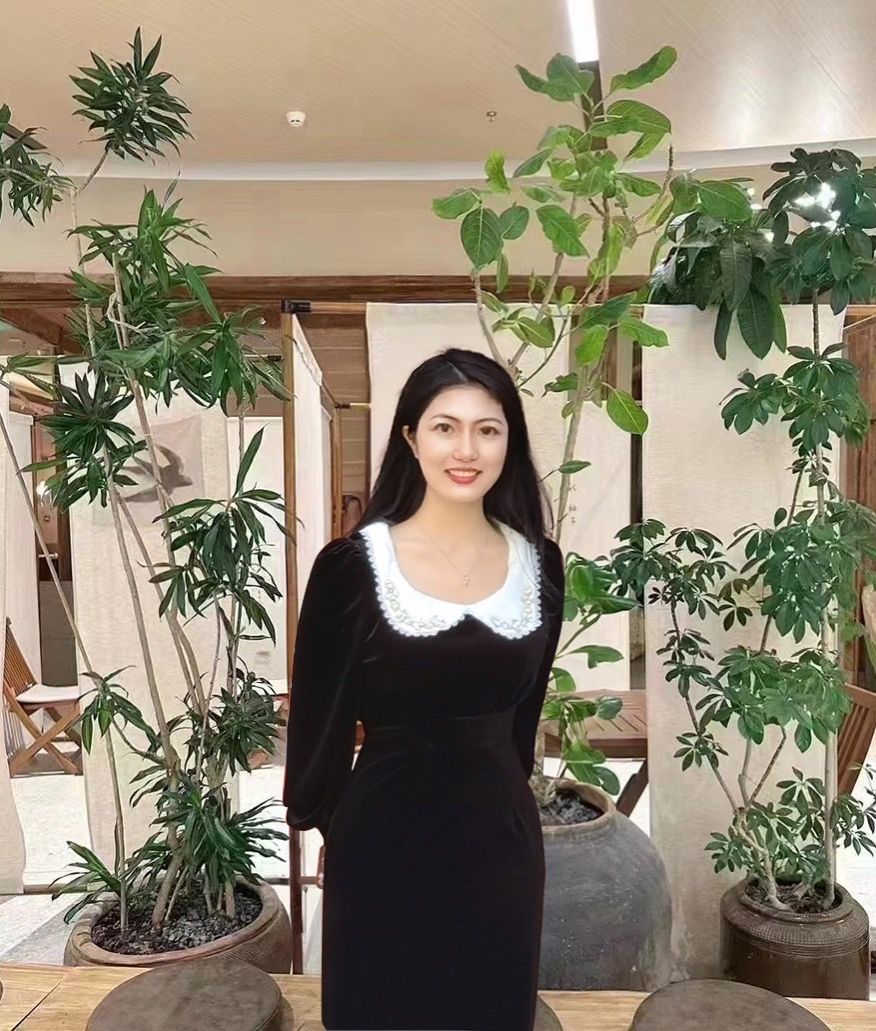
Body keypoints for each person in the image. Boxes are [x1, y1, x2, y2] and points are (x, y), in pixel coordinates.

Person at [283, 347, 565, 1030]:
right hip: (382, 843)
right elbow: (317, 725)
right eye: (445, 427)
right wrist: (329, 825)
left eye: (487, 429)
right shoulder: (352, 567)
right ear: (410, 438)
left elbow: (523, 720)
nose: (466, 449)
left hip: (500, 847)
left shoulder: (541, 564)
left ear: (510, 442)